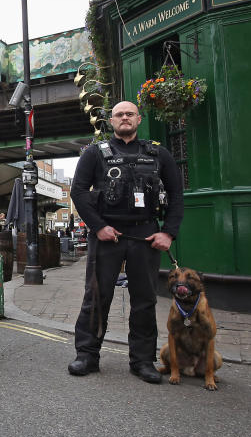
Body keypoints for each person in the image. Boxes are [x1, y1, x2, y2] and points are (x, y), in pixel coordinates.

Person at [67, 101, 184, 384]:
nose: (125, 118)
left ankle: (142, 361)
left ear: (139, 119)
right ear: (111, 120)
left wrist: (168, 232)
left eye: (130, 114)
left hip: (145, 235)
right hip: (108, 235)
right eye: (119, 114)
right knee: (96, 296)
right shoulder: (94, 153)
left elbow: (177, 194)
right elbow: (79, 192)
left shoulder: (159, 153)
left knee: (144, 300)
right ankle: (87, 355)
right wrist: (98, 227)